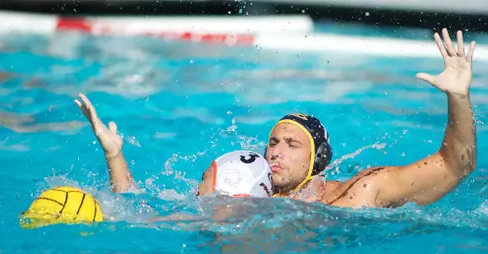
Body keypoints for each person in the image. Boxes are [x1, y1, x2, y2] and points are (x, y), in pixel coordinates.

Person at [266, 28, 477, 208]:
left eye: (292, 144)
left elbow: (454, 166)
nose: (276, 153)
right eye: (273, 143)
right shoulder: (245, 186)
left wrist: (458, 97)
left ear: (318, 158)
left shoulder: (361, 191)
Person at [75, 91, 272, 198]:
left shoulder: (199, 219)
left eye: (205, 179)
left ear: (227, 184)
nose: (196, 188)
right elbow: (131, 200)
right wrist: (114, 155)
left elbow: (136, 219)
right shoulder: (195, 211)